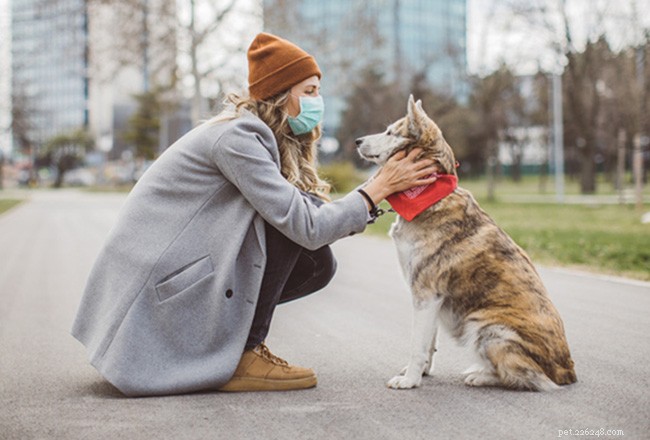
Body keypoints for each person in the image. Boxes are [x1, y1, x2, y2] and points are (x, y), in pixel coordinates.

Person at [71, 32, 437, 396]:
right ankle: (243, 353)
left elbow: (309, 217)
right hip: (151, 298)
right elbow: (304, 225)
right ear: (280, 95)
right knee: (289, 227)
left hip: (169, 282)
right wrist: (377, 188)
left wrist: (379, 194)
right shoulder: (237, 138)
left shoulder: (255, 136)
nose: (317, 101)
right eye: (308, 91)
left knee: (316, 263)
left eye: (318, 91)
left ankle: (230, 344)